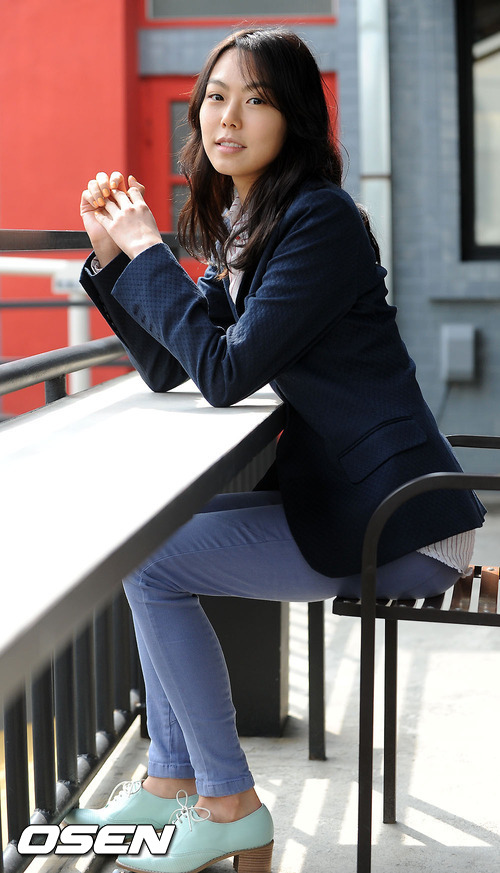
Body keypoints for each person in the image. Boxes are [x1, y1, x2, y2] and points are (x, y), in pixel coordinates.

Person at [67, 27, 485, 873]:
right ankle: (172, 781)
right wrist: (113, 259)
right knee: (154, 545)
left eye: (256, 99)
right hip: (358, 496)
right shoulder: (253, 223)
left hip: (400, 522)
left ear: (294, 117)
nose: (229, 118)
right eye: (217, 98)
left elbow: (223, 374)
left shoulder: (319, 220)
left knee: (152, 562)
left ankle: (227, 803)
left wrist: (150, 250)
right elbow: (174, 365)